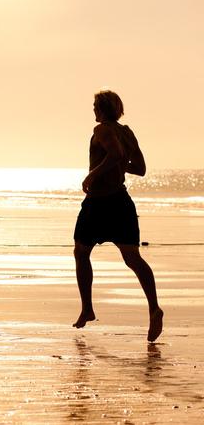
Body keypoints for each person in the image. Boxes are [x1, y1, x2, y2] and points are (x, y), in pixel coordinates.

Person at [73, 90, 163, 342]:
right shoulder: (127, 132)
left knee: (81, 252)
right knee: (132, 258)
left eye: (94, 106)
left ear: (101, 109)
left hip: (99, 203)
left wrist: (93, 174)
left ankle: (88, 308)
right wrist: (118, 165)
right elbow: (140, 168)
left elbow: (115, 155)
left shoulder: (101, 130)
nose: (93, 110)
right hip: (121, 202)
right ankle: (154, 307)